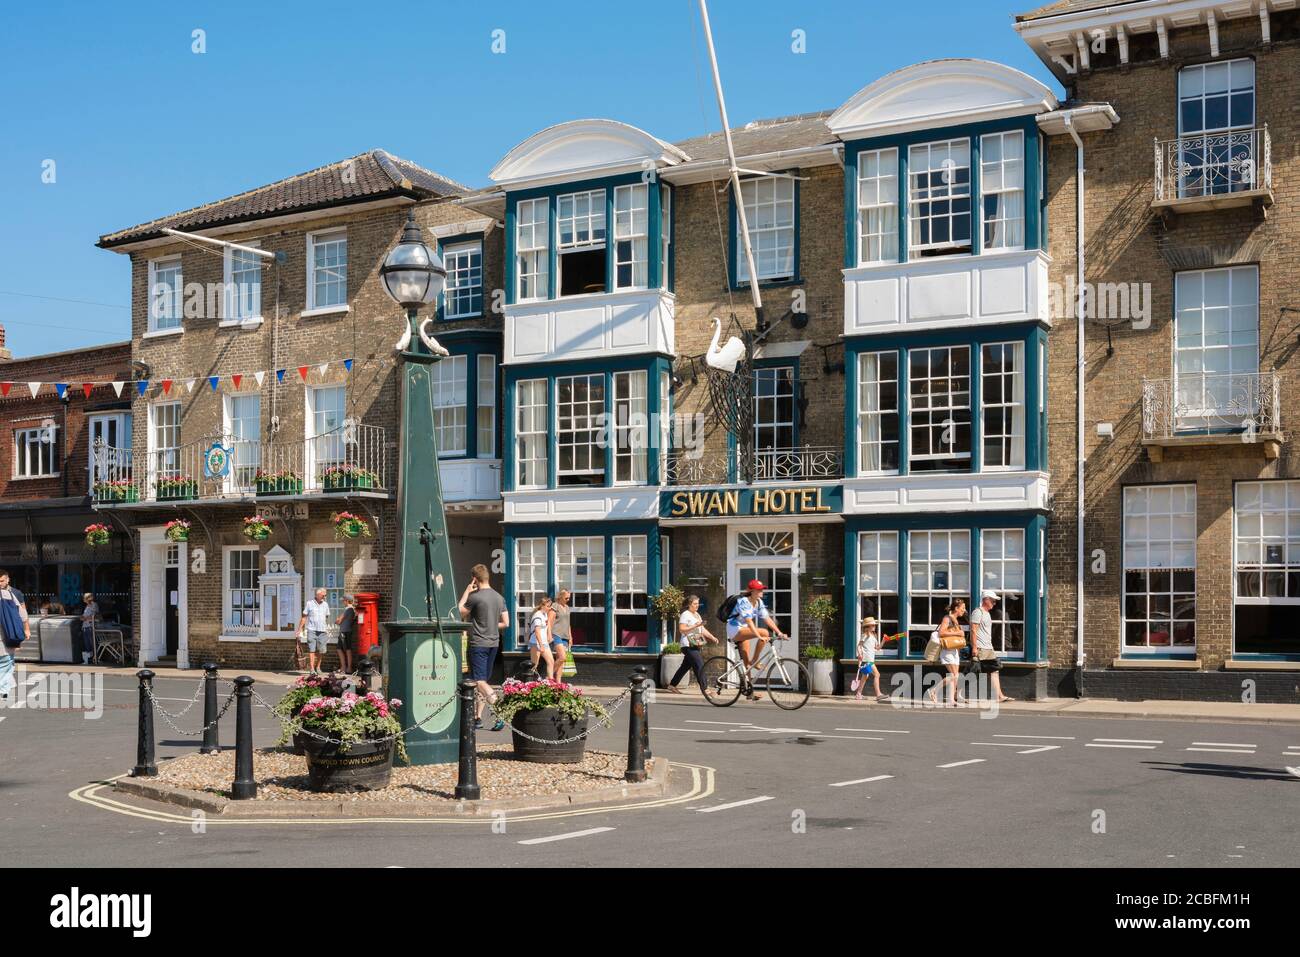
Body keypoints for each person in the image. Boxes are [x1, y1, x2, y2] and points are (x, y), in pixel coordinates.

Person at [459, 564, 509, 731]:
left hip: (478, 644)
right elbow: (506, 623)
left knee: (479, 681)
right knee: (481, 681)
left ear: (475, 579)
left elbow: (459, 611)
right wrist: (490, 625)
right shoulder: (499, 597)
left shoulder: (475, 597)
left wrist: (467, 590)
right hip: (494, 643)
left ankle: (500, 710)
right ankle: (477, 717)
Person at [727, 579, 787, 701]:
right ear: (752, 591)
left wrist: (780, 633)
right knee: (764, 632)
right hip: (734, 629)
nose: (762, 591)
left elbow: (768, 619)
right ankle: (755, 661)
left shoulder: (758, 602)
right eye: (759, 590)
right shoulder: (744, 602)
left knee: (746, 665)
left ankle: (749, 692)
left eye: (762, 589)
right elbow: (749, 622)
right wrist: (758, 636)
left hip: (743, 630)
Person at [666, 594, 719, 694]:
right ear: (689, 604)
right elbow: (682, 630)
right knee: (699, 665)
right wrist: (695, 625)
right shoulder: (685, 614)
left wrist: (712, 637)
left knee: (685, 667)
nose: (697, 605)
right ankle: (705, 689)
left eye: (698, 603)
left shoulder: (697, 615)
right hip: (688, 645)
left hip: (696, 643)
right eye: (695, 604)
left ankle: (672, 685)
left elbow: (702, 629)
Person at [970, 590, 1014, 703]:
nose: (994, 603)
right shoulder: (977, 612)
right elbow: (973, 630)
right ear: (986, 600)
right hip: (981, 648)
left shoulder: (987, 613)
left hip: (988, 647)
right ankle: (955, 691)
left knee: (994, 670)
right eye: (993, 601)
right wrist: (974, 647)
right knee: (973, 672)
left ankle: (1000, 696)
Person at [927, 599, 967, 707]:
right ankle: (933, 690)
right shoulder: (947, 618)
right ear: (956, 608)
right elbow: (941, 633)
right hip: (947, 651)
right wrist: (959, 632)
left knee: (955, 676)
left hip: (954, 651)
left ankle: (951, 700)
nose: (964, 610)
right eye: (962, 608)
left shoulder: (955, 620)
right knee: (953, 675)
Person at [0, 571, 31, 701]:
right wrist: (26, 629)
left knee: (6, 662)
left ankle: (4, 689)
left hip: (5, 636)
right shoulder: (11, 595)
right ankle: (4, 690)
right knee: (7, 662)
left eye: (1, 580)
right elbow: (23, 614)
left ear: (8, 580)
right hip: (8, 634)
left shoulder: (12, 594)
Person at [852, 616, 888, 702]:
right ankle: (878, 694)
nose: (874, 626)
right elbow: (859, 645)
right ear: (868, 627)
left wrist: (883, 640)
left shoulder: (874, 636)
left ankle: (858, 694)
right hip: (867, 659)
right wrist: (860, 653)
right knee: (877, 675)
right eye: (873, 625)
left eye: (874, 625)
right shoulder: (865, 635)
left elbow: (878, 648)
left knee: (865, 677)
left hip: (870, 659)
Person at [297, 588, 332, 674]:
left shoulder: (325, 604)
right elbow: (304, 617)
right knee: (311, 650)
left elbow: (326, 617)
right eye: (324, 595)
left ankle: (318, 667)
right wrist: (300, 629)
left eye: (325, 595)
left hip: (322, 631)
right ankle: (312, 669)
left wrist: (326, 627)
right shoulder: (309, 603)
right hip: (311, 630)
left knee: (321, 650)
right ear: (318, 594)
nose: (325, 596)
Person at [527, 596, 556, 679]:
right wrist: (541, 645)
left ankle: (550, 682)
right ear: (542, 605)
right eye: (548, 606)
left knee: (551, 661)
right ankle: (530, 683)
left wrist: (549, 636)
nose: (549, 608)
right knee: (534, 665)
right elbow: (537, 631)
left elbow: (547, 625)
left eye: (550, 606)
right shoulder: (537, 616)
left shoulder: (544, 614)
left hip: (544, 642)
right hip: (536, 643)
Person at [547, 589, 572, 681]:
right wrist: (549, 635)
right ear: (560, 597)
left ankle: (558, 683)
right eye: (566, 598)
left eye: (569, 598)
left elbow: (568, 623)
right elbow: (549, 622)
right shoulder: (555, 606)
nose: (568, 599)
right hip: (556, 634)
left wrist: (570, 636)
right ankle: (548, 677)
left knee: (561, 661)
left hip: (565, 636)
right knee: (562, 657)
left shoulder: (567, 607)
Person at [334, 595, 357, 674]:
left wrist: (337, 619)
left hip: (345, 632)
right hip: (346, 631)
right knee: (344, 649)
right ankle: (344, 667)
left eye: (343, 600)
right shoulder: (351, 610)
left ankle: (347, 667)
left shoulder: (348, 610)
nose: (342, 602)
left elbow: (338, 621)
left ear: (347, 601)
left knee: (345, 649)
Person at [80, 593, 99, 665]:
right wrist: (82, 618)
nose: (83, 599)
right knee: (87, 644)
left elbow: (95, 615)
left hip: (90, 626)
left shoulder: (94, 605)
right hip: (85, 626)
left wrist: (85, 618)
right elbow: (84, 616)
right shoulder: (87, 606)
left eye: (85, 598)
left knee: (92, 643)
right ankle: (89, 660)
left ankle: (95, 658)